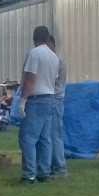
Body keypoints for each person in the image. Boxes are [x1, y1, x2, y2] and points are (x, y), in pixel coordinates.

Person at [17, 26, 60, 184]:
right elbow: (54, 80)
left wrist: (23, 100)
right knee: (45, 138)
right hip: (50, 98)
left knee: (28, 138)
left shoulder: (34, 54)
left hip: (35, 99)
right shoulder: (54, 57)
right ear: (48, 38)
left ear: (34, 38)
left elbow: (31, 78)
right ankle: (44, 172)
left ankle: (29, 174)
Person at [47, 34, 67, 179]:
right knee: (49, 135)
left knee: (54, 135)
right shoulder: (53, 59)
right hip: (53, 99)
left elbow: (48, 81)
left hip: (54, 99)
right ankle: (49, 166)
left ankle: (60, 168)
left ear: (53, 44)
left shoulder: (56, 61)